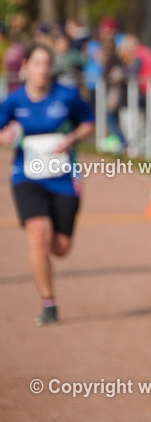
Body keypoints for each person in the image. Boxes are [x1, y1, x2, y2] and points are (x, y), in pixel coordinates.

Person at [0, 44, 95, 325]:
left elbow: (88, 122)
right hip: (26, 176)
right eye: (37, 63)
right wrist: (4, 135)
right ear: (25, 67)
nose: (42, 70)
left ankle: (50, 287)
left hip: (63, 178)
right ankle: (49, 303)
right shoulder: (14, 101)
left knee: (60, 248)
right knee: (38, 236)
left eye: (46, 64)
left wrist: (72, 139)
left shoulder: (67, 97)